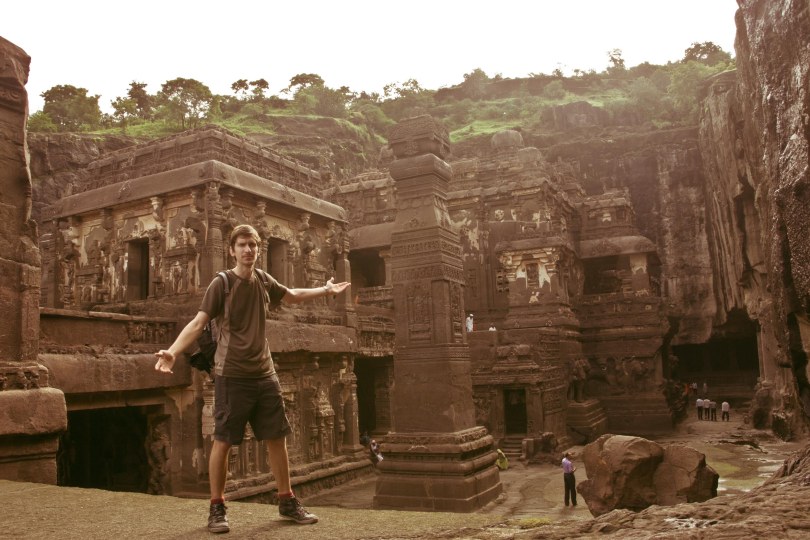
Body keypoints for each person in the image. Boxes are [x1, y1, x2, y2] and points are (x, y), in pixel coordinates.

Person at [154, 224, 350, 534]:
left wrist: (325, 291)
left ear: (258, 249)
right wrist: (173, 352)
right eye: (243, 245)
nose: (248, 250)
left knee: (277, 436)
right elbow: (198, 322)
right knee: (223, 441)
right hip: (232, 375)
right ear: (232, 250)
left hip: (264, 373)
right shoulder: (222, 283)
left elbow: (292, 295)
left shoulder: (262, 279)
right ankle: (217, 507)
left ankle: (286, 500)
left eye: (253, 245)